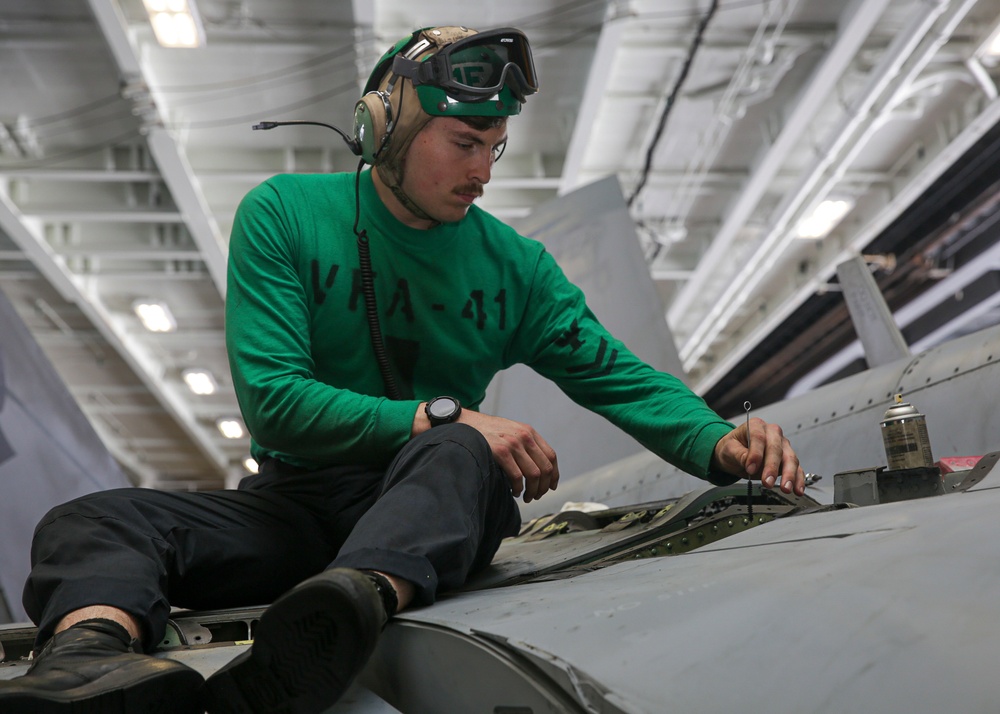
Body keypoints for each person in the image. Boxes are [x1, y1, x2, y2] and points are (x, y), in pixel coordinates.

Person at [0, 25, 804, 714]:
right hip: (294, 504)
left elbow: (618, 377)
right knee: (91, 519)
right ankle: (86, 662)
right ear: (383, 126)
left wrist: (717, 443)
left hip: (431, 505)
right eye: (464, 143)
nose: (483, 170)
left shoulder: (514, 267)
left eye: (494, 147)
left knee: (463, 455)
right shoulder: (283, 215)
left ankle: (337, 619)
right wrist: (445, 415)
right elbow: (276, 404)